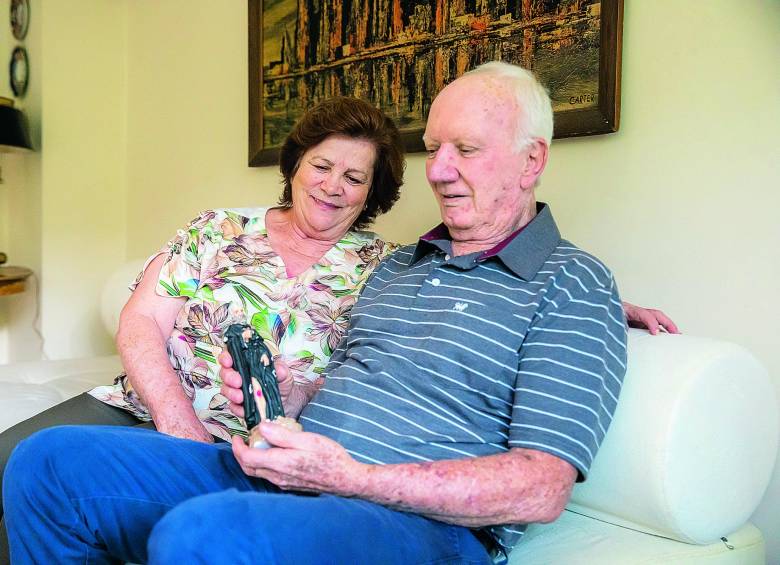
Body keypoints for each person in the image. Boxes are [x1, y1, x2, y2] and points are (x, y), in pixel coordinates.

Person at [4, 61, 674, 564]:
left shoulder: (571, 285)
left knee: (200, 535)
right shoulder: (401, 264)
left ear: (533, 162)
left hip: (413, 522)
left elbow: (540, 487)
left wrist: (347, 476)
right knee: (46, 464)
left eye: (463, 150)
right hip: (285, 471)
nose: (439, 170)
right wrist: (285, 393)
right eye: (433, 147)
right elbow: (352, 378)